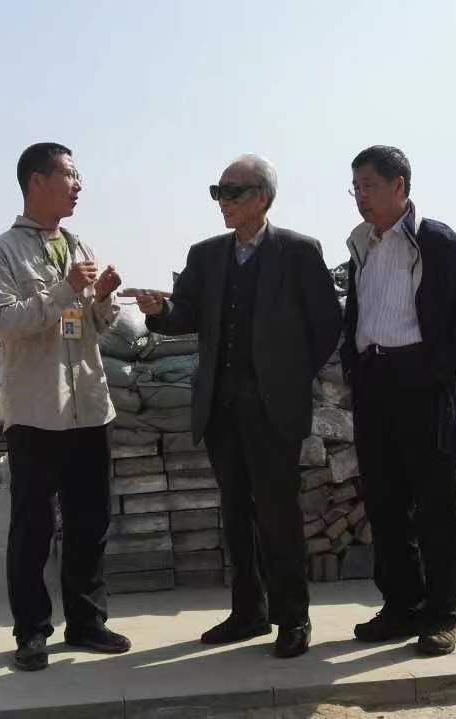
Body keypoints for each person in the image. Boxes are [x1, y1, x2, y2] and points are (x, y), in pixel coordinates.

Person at [127, 154, 342, 658]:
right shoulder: (206, 256)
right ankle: (249, 613)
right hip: (222, 408)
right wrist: (161, 311)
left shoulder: (298, 251)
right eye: (217, 192)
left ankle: (293, 617)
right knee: (236, 513)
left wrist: (291, 376)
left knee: (278, 514)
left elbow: (327, 324)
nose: (222, 202)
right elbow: (186, 315)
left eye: (232, 192)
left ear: (262, 198)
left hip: (273, 409)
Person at [0, 142, 130, 671]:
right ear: (36, 181)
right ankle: (32, 632)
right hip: (36, 411)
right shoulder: (0, 253)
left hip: (89, 405)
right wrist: (65, 289)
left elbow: (95, 325)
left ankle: (87, 622)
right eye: (69, 174)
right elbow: (8, 321)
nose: (78, 185)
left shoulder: (78, 244)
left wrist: (103, 297)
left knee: (90, 521)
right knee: (33, 528)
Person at [340, 145, 456, 656]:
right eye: (355, 187)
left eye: (369, 186)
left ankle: (442, 614)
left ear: (399, 186)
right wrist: (355, 367)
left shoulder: (440, 243)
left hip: (423, 386)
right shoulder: (362, 245)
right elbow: (359, 315)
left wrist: (433, 371)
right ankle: (401, 606)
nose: (360, 196)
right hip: (375, 384)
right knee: (385, 504)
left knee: (434, 506)